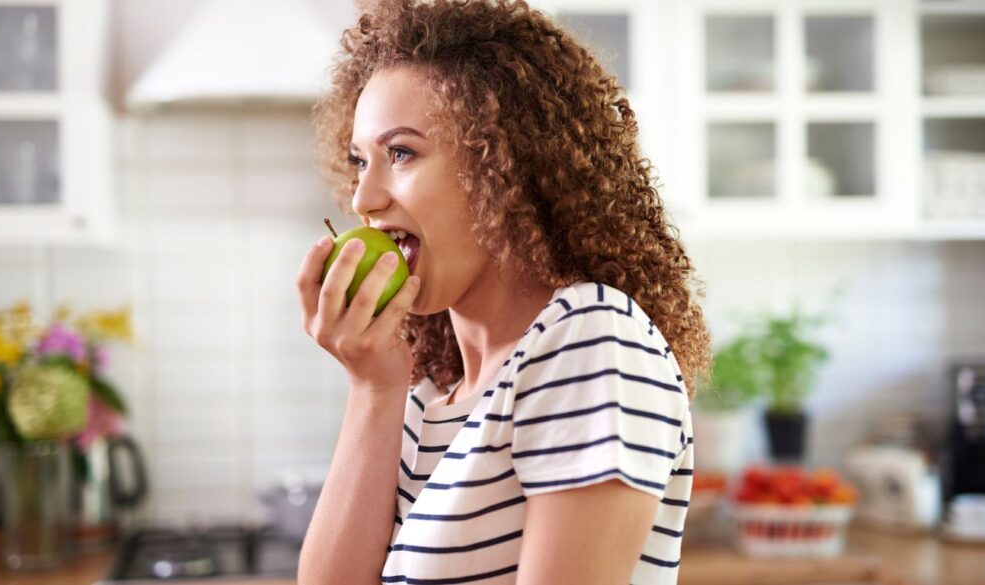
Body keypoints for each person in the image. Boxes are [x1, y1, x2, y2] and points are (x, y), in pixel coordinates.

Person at [295, 0, 711, 583]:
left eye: (401, 153)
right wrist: (372, 386)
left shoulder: (591, 341)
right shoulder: (424, 396)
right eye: (359, 160)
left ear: (505, 167)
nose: (364, 197)